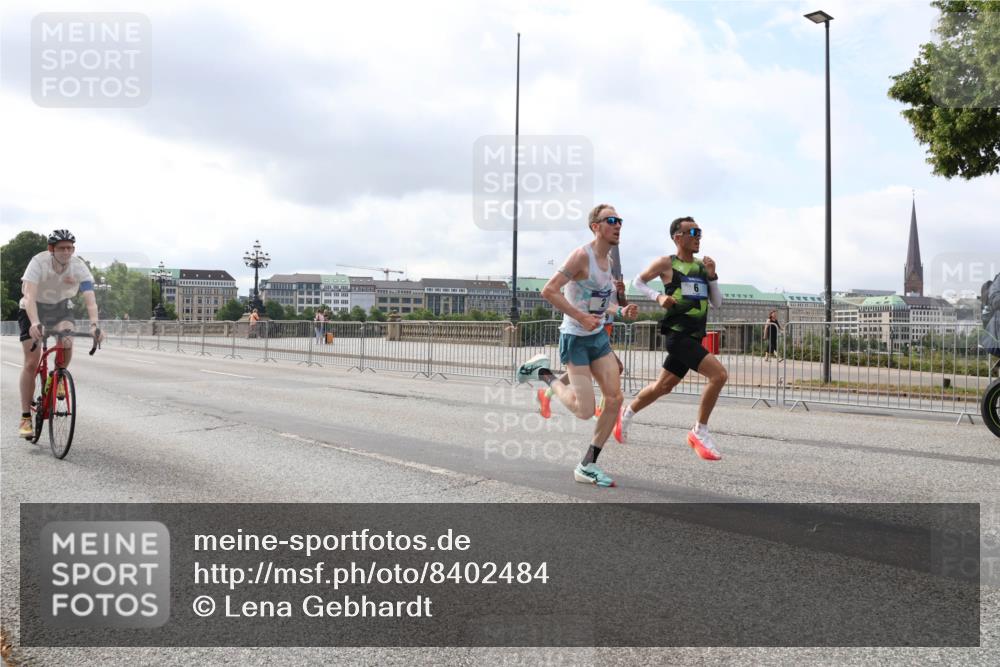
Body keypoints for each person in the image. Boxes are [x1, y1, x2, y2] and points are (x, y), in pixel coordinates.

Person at [516, 204, 638, 487]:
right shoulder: (581, 256)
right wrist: (580, 316)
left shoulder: (609, 264)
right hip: (575, 339)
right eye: (611, 220)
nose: (618, 225)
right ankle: (543, 374)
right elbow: (549, 290)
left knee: (615, 398)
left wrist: (620, 312)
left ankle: (587, 465)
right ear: (596, 226)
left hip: (596, 338)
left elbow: (599, 302)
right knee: (584, 411)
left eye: (620, 220)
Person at [615, 216, 727, 460]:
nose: (698, 237)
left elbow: (716, 303)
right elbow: (638, 281)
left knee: (663, 386)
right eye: (693, 232)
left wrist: (713, 276)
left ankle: (626, 414)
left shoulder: (701, 266)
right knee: (719, 375)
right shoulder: (667, 263)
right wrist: (658, 297)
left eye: (700, 232)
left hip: (695, 336)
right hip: (678, 335)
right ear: (678, 237)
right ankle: (700, 431)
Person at [17, 230, 104, 438]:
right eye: (62, 248)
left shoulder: (78, 266)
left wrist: (94, 325)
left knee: (67, 340)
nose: (66, 252)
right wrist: (35, 322)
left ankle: (59, 375)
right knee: (31, 362)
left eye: (70, 248)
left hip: (60, 307)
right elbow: (29, 296)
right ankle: (25, 417)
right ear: (51, 249)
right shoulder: (38, 262)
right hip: (33, 308)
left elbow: (90, 297)